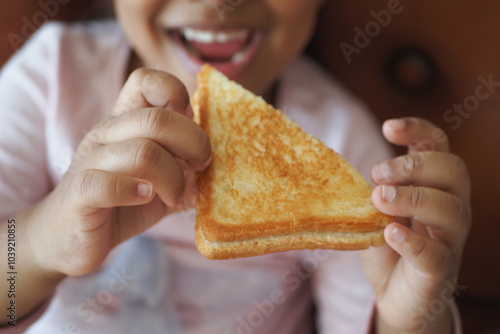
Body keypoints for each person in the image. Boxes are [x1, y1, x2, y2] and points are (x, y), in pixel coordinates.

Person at [0, 0, 470, 333]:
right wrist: (42, 242)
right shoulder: (52, 73)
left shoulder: (344, 144)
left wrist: (408, 322)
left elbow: (371, 311)